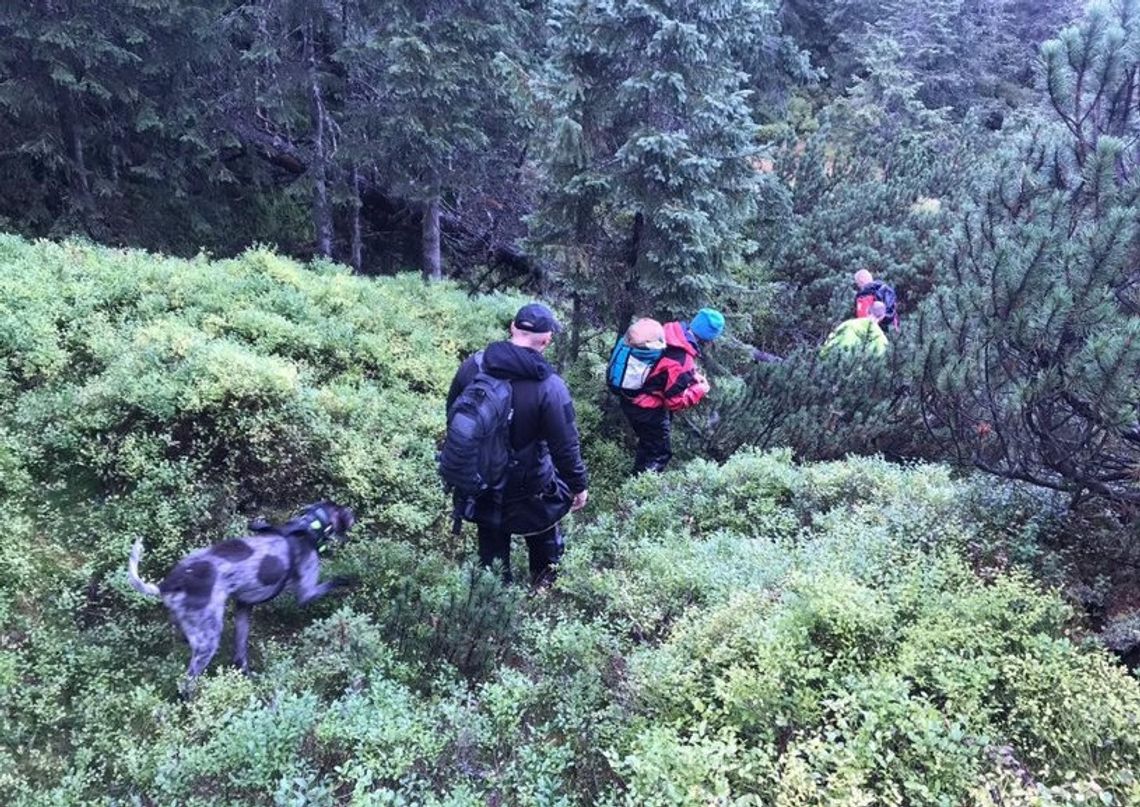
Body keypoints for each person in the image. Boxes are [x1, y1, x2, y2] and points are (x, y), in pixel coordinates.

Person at [445, 303, 589, 586]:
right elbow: (565, 447)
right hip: (531, 484)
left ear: (513, 327)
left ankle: (495, 598)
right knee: (545, 533)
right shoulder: (550, 386)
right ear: (546, 340)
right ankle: (543, 588)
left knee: (492, 551)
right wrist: (578, 485)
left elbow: (453, 414)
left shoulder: (473, 365)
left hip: (481, 481)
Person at [618, 308, 724, 474]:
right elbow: (674, 402)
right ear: (709, 338)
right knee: (659, 454)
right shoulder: (683, 359)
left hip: (631, 396)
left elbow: (663, 367)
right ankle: (640, 493)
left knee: (648, 444)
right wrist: (700, 389)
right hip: (646, 408)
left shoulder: (668, 331)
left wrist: (691, 375)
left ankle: (635, 477)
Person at [821, 300, 889, 357]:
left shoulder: (848, 324)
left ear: (868, 310)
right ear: (882, 317)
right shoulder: (882, 340)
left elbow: (830, 343)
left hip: (836, 365)